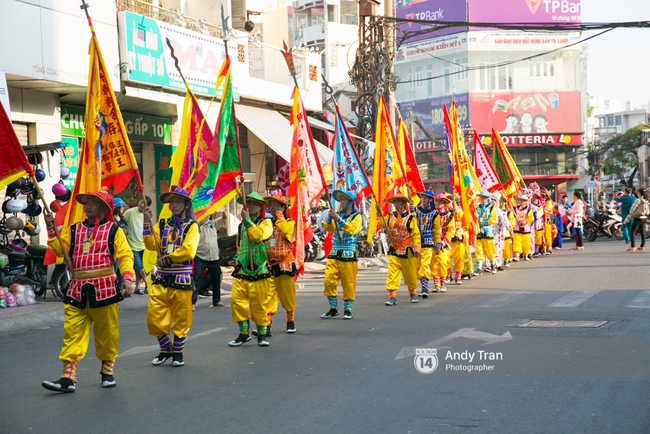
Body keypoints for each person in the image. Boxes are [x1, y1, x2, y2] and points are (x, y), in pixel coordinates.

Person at [42, 188, 134, 393]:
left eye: (93, 202)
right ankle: (68, 377)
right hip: (76, 289)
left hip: (105, 290)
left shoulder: (113, 230)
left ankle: (107, 371)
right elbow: (60, 249)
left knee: (107, 334)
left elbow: (125, 256)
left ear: (103, 208)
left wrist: (127, 278)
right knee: (72, 333)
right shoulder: (74, 229)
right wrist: (50, 228)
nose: (88, 206)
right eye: (87, 202)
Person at [143, 187, 199, 367]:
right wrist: (146, 223)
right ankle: (165, 348)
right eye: (172, 202)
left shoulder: (192, 226)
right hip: (161, 278)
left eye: (178, 202)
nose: (174, 205)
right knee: (154, 318)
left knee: (181, 319)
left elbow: (189, 250)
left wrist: (167, 259)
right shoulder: (162, 224)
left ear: (186, 205)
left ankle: (178, 353)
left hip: (181, 278)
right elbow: (152, 245)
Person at [228, 192, 273, 347]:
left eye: (254, 204)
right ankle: (243, 333)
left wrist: (247, 220)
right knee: (237, 302)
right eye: (249, 203)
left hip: (259, 270)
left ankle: (262, 334)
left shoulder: (266, 223)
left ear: (260, 207)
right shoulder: (241, 225)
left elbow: (258, 236)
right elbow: (239, 245)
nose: (251, 206)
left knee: (259, 304)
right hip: (242, 271)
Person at [321, 190, 362, 319]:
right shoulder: (338, 214)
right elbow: (328, 227)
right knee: (328, 280)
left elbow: (351, 229)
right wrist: (330, 216)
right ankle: (333, 308)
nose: (342, 202)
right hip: (334, 253)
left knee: (348, 283)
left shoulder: (357, 216)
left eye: (344, 200)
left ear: (351, 202)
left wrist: (337, 218)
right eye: (341, 200)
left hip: (348, 254)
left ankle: (348, 309)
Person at [260, 194, 297, 332]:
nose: (272, 206)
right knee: (268, 297)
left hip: (285, 264)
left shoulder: (290, 222)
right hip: (270, 265)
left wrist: (280, 216)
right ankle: (267, 325)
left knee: (287, 296)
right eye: (271, 204)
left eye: (276, 204)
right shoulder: (267, 223)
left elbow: (287, 231)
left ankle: (290, 321)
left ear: (283, 207)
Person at [376, 193, 421, 305]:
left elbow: (415, 235)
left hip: (407, 251)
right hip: (394, 250)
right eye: (395, 202)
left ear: (404, 203)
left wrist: (416, 248)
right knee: (392, 274)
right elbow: (382, 223)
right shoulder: (390, 216)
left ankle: (413, 294)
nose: (396, 204)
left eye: (399, 201)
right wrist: (378, 212)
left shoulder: (410, 218)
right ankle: (392, 297)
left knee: (410, 275)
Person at [192, 211, 226, 311]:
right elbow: (196, 226)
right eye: (206, 213)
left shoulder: (213, 224)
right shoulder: (196, 224)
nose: (208, 215)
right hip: (200, 256)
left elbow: (223, 219)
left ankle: (216, 299)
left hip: (213, 256)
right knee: (196, 279)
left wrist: (224, 214)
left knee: (216, 278)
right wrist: (201, 219)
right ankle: (192, 302)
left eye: (209, 213)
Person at [123, 195, 153, 295]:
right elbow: (122, 224)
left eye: (144, 203)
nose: (141, 204)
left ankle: (137, 288)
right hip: (132, 244)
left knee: (140, 268)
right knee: (139, 266)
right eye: (141, 202)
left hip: (143, 245)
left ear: (147, 206)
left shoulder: (147, 215)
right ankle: (148, 283)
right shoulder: (129, 212)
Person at [414, 188, 439, 298]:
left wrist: (438, 243)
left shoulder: (435, 214)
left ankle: (425, 288)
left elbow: (437, 231)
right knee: (418, 266)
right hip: (416, 243)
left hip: (428, 242)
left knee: (425, 265)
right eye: (422, 197)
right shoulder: (415, 211)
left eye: (426, 197)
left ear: (430, 199)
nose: (423, 199)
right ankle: (422, 286)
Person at [431, 194, 454, 292]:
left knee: (443, 263)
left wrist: (445, 241)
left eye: (441, 201)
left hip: (443, 243)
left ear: (445, 203)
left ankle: (443, 282)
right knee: (433, 264)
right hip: (432, 242)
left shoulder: (449, 216)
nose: (439, 203)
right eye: (438, 201)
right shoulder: (431, 214)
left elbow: (451, 230)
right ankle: (436, 283)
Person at [475, 190, 498, 273]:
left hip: (487, 231)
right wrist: (477, 223)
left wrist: (484, 222)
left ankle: (492, 265)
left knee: (490, 249)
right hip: (479, 231)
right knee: (478, 250)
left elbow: (493, 219)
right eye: (481, 197)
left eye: (484, 197)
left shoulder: (491, 207)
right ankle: (479, 268)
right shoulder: (477, 208)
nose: (482, 199)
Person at [624, 187, 648, 252]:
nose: (637, 193)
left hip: (638, 217)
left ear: (639, 193)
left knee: (632, 231)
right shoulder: (646, 201)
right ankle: (642, 246)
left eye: (637, 192)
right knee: (643, 232)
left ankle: (633, 246)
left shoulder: (638, 200)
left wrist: (627, 219)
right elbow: (648, 211)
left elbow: (632, 210)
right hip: (644, 217)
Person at [512, 193, 534, 261]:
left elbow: (531, 218)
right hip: (517, 227)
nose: (522, 202)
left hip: (525, 228)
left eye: (524, 200)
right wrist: (516, 222)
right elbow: (512, 217)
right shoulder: (516, 209)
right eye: (521, 200)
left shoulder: (528, 209)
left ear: (526, 201)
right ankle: (517, 256)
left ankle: (526, 255)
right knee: (516, 241)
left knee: (526, 243)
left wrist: (525, 222)